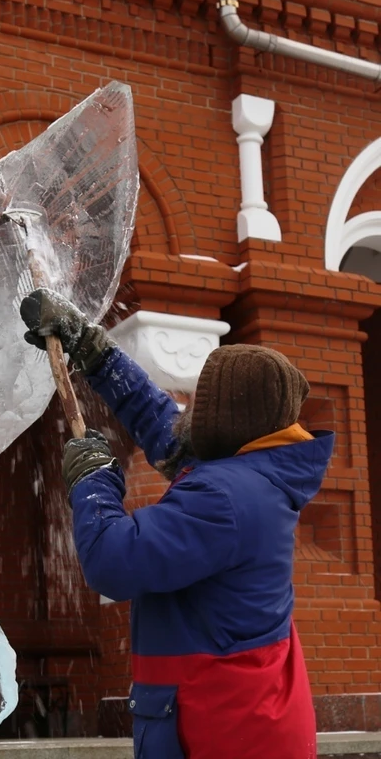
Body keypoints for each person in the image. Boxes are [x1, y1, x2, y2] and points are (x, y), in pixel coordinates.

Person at [20, 289, 334, 759]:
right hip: (241, 717)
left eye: (203, 405)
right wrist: (92, 351)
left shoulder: (225, 497)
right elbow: (159, 421)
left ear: (227, 418)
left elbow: (113, 562)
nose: (189, 416)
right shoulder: (252, 468)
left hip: (224, 730)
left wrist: (94, 481)